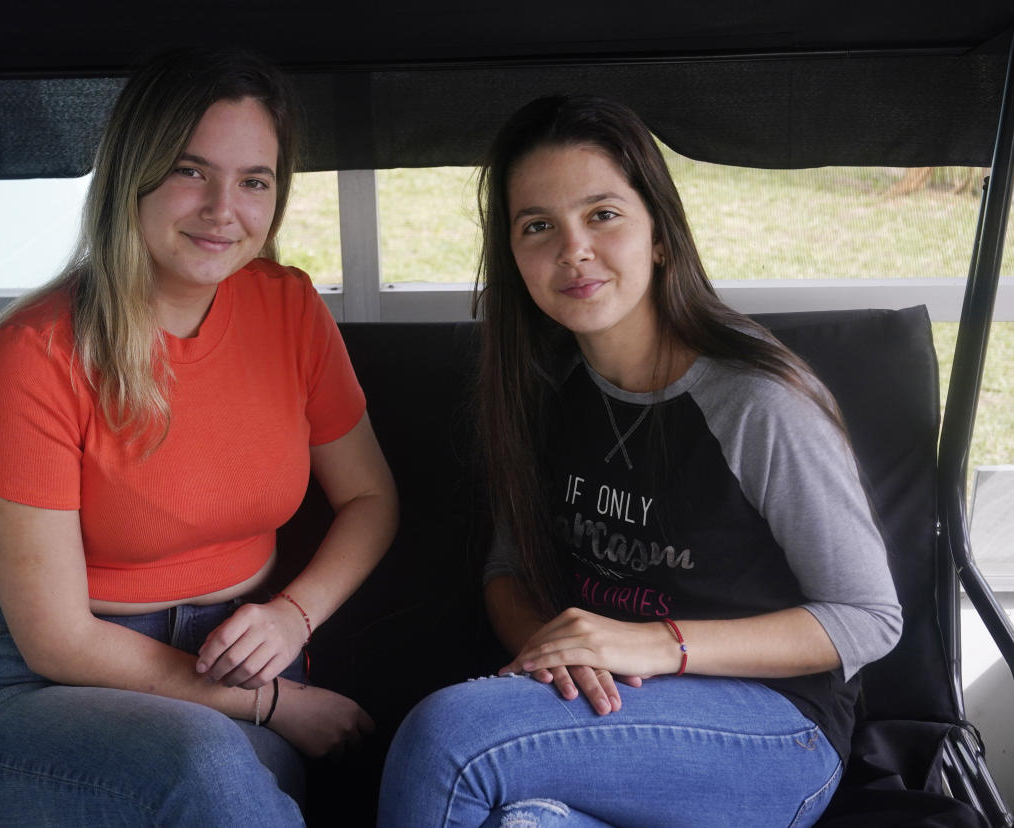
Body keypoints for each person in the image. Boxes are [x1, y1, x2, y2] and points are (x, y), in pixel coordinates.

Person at [377, 95, 901, 828]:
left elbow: (868, 618)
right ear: (515, 260)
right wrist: (560, 652)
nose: (573, 251)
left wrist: (652, 645)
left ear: (659, 234)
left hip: (777, 731)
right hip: (606, 710)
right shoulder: (539, 391)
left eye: (603, 215)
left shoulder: (758, 402)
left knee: (450, 739)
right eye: (538, 227)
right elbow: (507, 573)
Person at [0, 49, 398, 827]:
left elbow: (372, 498)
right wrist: (273, 702)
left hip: (229, 663)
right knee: (204, 774)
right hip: (33, 691)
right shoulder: (33, 353)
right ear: (131, 175)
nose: (223, 209)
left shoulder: (289, 309)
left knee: (230, 786)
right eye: (190, 170)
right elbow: (58, 641)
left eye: (254, 181)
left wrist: (292, 618)